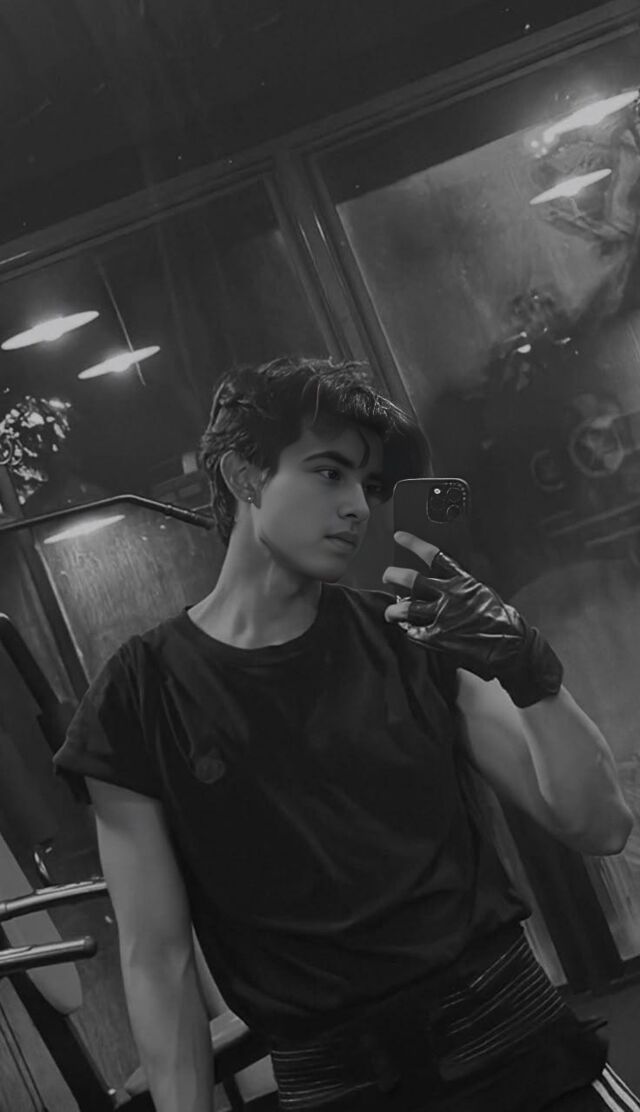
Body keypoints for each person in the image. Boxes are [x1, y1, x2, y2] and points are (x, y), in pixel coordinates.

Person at [53, 357, 636, 1112]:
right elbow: (157, 965)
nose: (358, 506)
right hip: (338, 1086)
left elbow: (599, 826)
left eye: (368, 484)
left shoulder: (411, 637)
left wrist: (530, 670)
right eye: (329, 473)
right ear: (244, 475)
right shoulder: (139, 696)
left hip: (518, 1054)